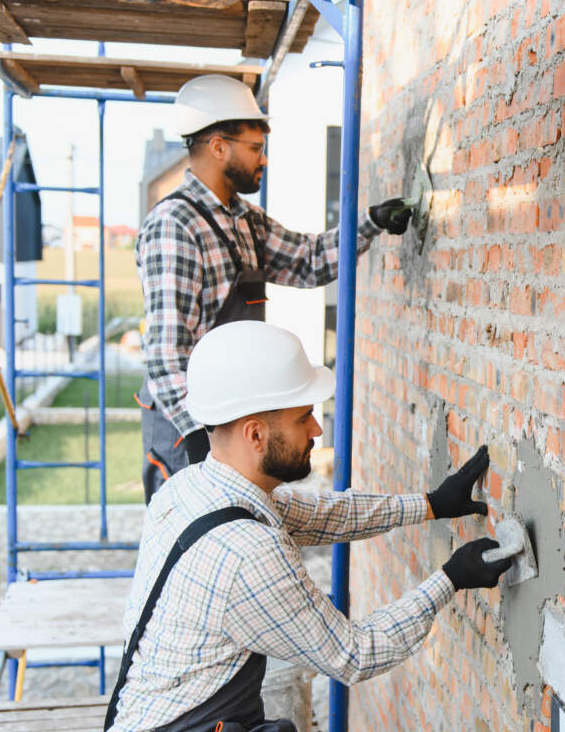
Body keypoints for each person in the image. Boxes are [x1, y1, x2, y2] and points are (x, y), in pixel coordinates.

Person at [92, 320, 515, 732]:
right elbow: (355, 655)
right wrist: (449, 579)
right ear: (256, 432)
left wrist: (429, 505)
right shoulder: (243, 553)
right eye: (303, 418)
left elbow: (320, 516)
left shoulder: (198, 489)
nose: (318, 428)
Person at [136, 73, 415, 502]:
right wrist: (200, 439)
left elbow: (307, 261)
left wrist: (371, 222)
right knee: (197, 548)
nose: (263, 160)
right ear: (217, 146)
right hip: (189, 435)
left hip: (234, 426)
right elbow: (166, 355)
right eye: (255, 149)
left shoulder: (246, 220)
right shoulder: (175, 225)